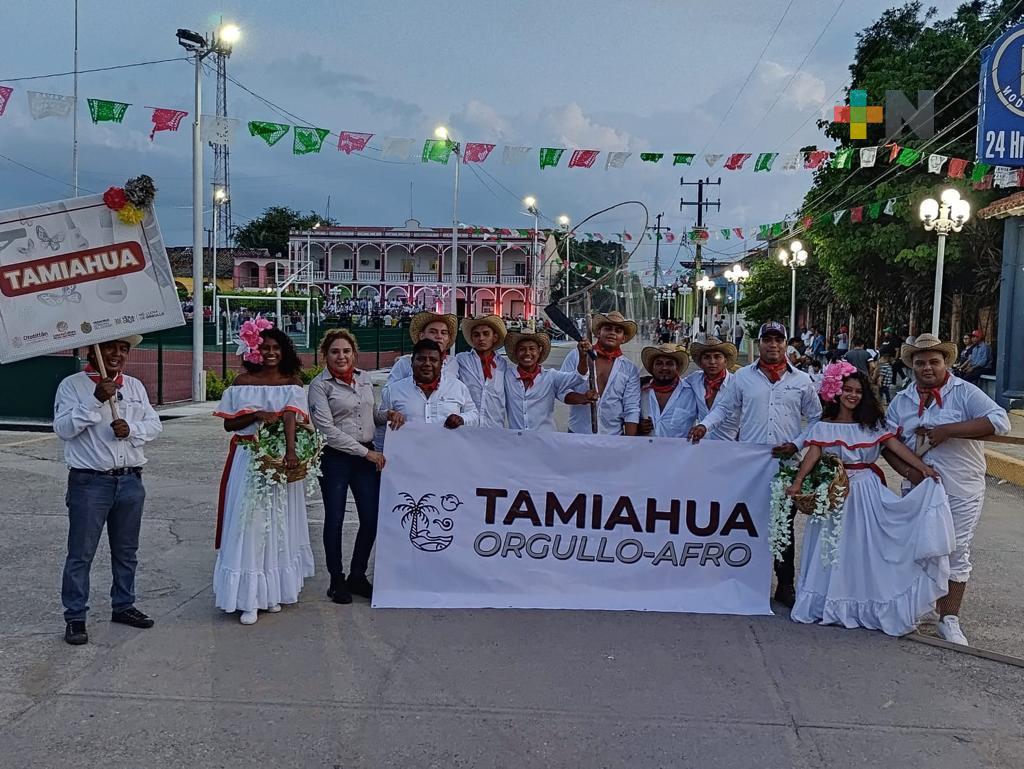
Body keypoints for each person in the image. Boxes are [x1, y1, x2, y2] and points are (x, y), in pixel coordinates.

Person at [788, 364, 953, 636]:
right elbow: (813, 455)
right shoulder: (823, 427)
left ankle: (869, 602)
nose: (852, 395)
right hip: (834, 492)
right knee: (834, 548)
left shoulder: (873, 425)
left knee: (867, 549)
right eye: (847, 390)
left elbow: (897, 448)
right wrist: (797, 482)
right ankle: (833, 602)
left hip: (866, 491)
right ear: (836, 391)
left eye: (858, 391)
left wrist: (923, 469)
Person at [883, 333, 1011, 645]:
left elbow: (1000, 421)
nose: (927, 367)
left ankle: (948, 618)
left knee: (955, 551)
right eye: (920, 362)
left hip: (960, 487)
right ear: (912, 365)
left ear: (945, 363)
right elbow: (886, 443)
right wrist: (910, 471)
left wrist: (948, 431)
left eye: (934, 362)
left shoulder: (965, 393)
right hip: (918, 489)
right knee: (916, 549)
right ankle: (918, 607)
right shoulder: (902, 400)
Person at [689, 321, 822, 607]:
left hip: (785, 462)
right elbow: (724, 408)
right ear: (758, 343)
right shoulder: (742, 379)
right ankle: (743, 578)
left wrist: (798, 444)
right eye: (767, 340)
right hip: (750, 462)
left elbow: (816, 418)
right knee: (745, 522)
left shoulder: (801, 380)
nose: (772, 345)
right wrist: (704, 426)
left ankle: (785, 584)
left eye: (778, 340)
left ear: (786, 344)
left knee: (782, 524)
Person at [54, 336, 161, 645]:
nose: (117, 354)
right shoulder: (72, 386)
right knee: (81, 553)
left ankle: (124, 605)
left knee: (127, 552)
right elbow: (62, 428)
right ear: (93, 350)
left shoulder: (135, 386)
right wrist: (95, 400)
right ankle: (75, 616)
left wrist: (133, 429)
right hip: (90, 483)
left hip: (129, 481)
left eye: (123, 348)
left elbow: (154, 425)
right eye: (109, 347)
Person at [213, 324, 314, 625]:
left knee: (279, 523)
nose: (270, 353)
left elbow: (291, 419)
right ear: (253, 350)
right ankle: (248, 598)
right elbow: (229, 426)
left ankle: (273, 592)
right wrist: (255, 415)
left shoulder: (292, 383)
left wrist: (292, 452)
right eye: (264, 348)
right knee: (250, 524)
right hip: (248, 459)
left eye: (276, 348)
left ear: (284, 351)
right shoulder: (242, 382)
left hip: (280, 460)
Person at [308, 329, 394, 605]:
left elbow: (370, 415)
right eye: (335, 352)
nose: (341, 356)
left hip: (365, 457)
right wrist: (366, 454)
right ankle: (336, 579)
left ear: (354, 354)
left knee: (371, 518)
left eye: (346, 351)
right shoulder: (320, 386)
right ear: (325, 356)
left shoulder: (364, 379)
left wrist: (388, 416)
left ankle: (357, 574)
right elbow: (327, 430)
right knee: (335, 519)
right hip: (336, 458)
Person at [561, 311, 642, 435]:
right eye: (608, 329)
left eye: (618, 331)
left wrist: (629, 442)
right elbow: (561, 389)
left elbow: (631, 408)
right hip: (578, 433)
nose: (612, 333)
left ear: (623, 338)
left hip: (613, 436)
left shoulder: (630, 369)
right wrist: (582, 398)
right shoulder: (576, 355)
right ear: (599, 333)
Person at [379, 339, 479, 430]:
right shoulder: (394, 390)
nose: (427, 364)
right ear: (412, 362)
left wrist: (462, 419)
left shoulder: (458, 387)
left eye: (433, 360)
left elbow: (474, 414)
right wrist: (389, 416)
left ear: (441, 364)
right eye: (421, 359)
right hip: (407, 449)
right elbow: (380, 422)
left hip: (448, 449)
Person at [503, 331, 593, 431]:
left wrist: (583, 356)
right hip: (517, 441)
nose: (527, 353)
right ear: (516, 352)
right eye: (522, 349)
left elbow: (579, 377)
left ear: (539, 351)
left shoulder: (551, 376)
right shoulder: (506, 376)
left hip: (546, 441)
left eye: (532, 349)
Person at [455, 315, 508, 429]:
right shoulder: (461, 360)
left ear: (495, 337)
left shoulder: (503, 364)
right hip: (467, 428)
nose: (481, 338)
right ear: (472, 338)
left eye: (486, 334)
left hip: (494, 429)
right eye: (476, 335)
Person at [683, 338, 740, 441]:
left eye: (717, 357)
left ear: (725, 361)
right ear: (701, 361)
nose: (712, 362)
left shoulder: (736, 383)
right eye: (707, 357)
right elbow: (675, 385)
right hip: (701, 444)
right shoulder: (694, 379)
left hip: (729, 446)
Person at [637, 344, 696, 438]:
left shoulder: (691, 393)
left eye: (669, 363)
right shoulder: (640, 391)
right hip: (646, 451)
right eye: (659, 363)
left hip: (679, 451)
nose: (664, 367)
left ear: (677, 367)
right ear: (652, 367)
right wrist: (638, 426)